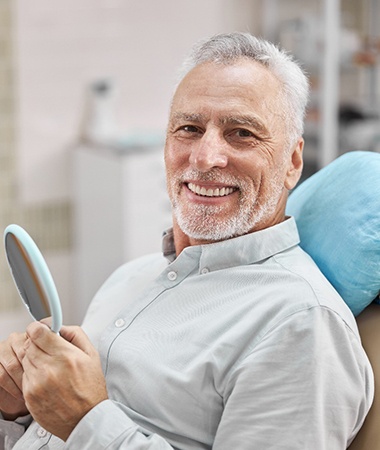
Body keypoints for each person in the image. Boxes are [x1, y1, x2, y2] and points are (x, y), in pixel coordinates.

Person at [0, 32, 374, 449]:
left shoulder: (301, 325)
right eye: (189, 128)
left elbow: (83, 423)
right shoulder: (132, 277)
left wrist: (86, 421)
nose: (204, 157)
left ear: (292, 161)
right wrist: (19, 410)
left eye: (242, 133)